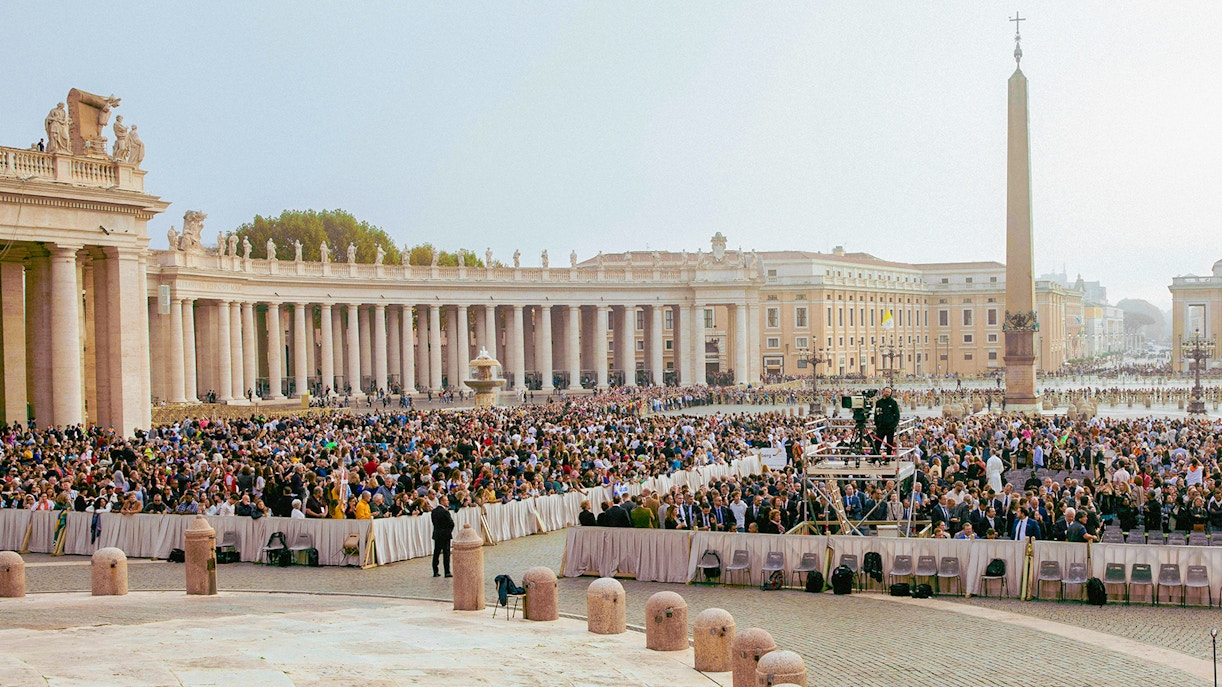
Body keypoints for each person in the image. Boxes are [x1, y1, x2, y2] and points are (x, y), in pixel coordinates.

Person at [431, 493, 454, 577]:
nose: (447, 502)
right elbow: (451, 523)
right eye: (446, 500)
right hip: (445, 534)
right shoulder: (445, 512)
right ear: (442, 501)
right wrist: (449, 531)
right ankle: (447, 571)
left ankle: (435, 571)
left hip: (437, 534)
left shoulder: (434, 511)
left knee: (436, 552)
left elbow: (433, 522)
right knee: (446, 554)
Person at [873, 387, 900, 455]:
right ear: (883, 392)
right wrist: (877, 423)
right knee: (877, 443)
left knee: (889, 443)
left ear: (890, 393)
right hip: (880, 426)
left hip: (890, 426)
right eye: (886, 392)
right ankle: (874, 457)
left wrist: (894, 424)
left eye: (889, 392)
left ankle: (888, 458)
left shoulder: (893, 403)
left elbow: (897, 415)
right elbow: (876, 414)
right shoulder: (879, 402)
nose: (887, 393)